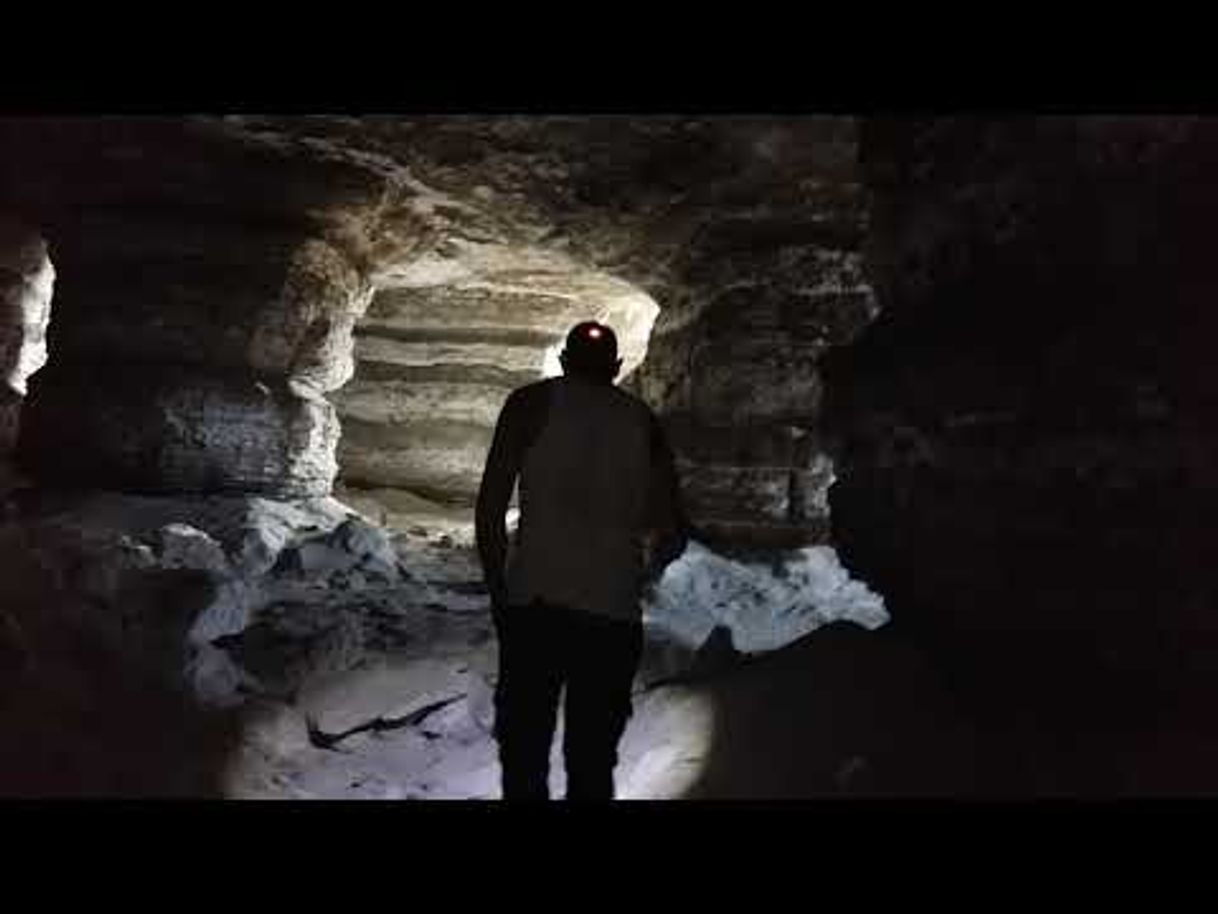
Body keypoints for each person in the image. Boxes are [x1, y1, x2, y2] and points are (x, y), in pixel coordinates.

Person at [475, 320, 688, 800]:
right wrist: (637, 576)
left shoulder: (529, 404)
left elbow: (490, 507)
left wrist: (497, 590)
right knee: (592, 762)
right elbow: (670, 528)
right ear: (615, 368)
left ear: (565, 361)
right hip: (611, 611)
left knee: (524, 754)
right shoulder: (643, 422)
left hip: (536, 601)